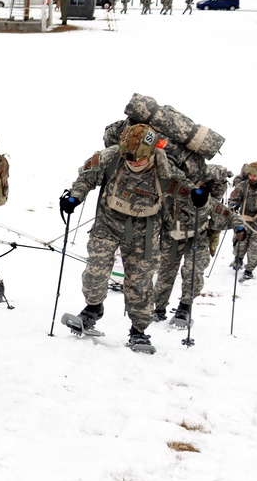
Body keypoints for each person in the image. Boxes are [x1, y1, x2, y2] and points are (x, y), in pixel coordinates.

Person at [59, 123, 202, 353]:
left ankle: (139, 331)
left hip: (144, 231)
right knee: (95, 270)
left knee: (139, 284)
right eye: (129, 159)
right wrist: (74, 197)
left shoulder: (162, 166)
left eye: (138, 160)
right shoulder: (112, 157)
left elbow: (180, 186)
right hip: (108, 223)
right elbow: (87, 177)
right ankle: (92, 309)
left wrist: (196, 194)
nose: (133, 163)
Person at [152, 164, 241, 325]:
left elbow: (230, 215)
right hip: (171, 238)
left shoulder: (209, 202)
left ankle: (184, 308)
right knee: (165, 274)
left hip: (197, 239)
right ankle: (158, 309)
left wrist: (239, 227)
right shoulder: (173, 193)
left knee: (193, 271)